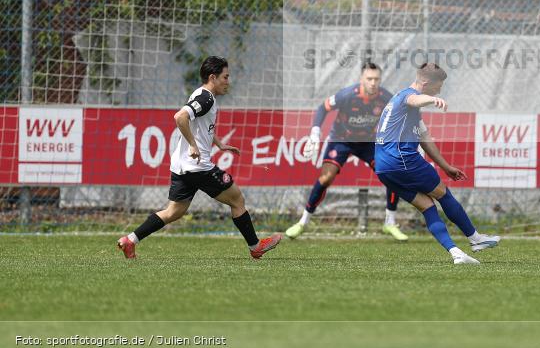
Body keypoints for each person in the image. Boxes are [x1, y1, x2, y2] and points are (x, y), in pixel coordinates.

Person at [117, 56, 281, 260]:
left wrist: (219, 144)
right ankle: (255, 246)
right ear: (213, 77)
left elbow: (201, 125)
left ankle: (130, 240)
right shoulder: (207, 98)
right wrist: (194, 145)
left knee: (174, 212)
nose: (228, 81)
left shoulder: (201, 94)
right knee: (237, 199)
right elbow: (180, 117)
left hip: (181, 165)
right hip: (198, 166)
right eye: (225, 77)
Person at [374, 63, 499, 264]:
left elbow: (424, 137)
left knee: (426, 206)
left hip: (383, 168)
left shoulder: (403, 107)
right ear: (425, 82)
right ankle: (475, 239)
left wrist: (446, 166)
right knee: (443, 193)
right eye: (437, 87)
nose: (439, 90)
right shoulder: (409, 96)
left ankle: (456, 254)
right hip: (402, 159)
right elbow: (415, 98)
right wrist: (432, 99)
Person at [285, 62, 407, 241]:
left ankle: (390, 222)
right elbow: (323, 108)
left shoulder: (386, 97)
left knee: (392, 174)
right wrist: (315, 132)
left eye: (376, 79)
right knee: (326, 178)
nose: (373, 83)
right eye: (369, 79)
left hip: (368, 142)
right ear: (361, 79)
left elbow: (401, 115)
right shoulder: (347, 94)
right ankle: (303, 222)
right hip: (341, 139)